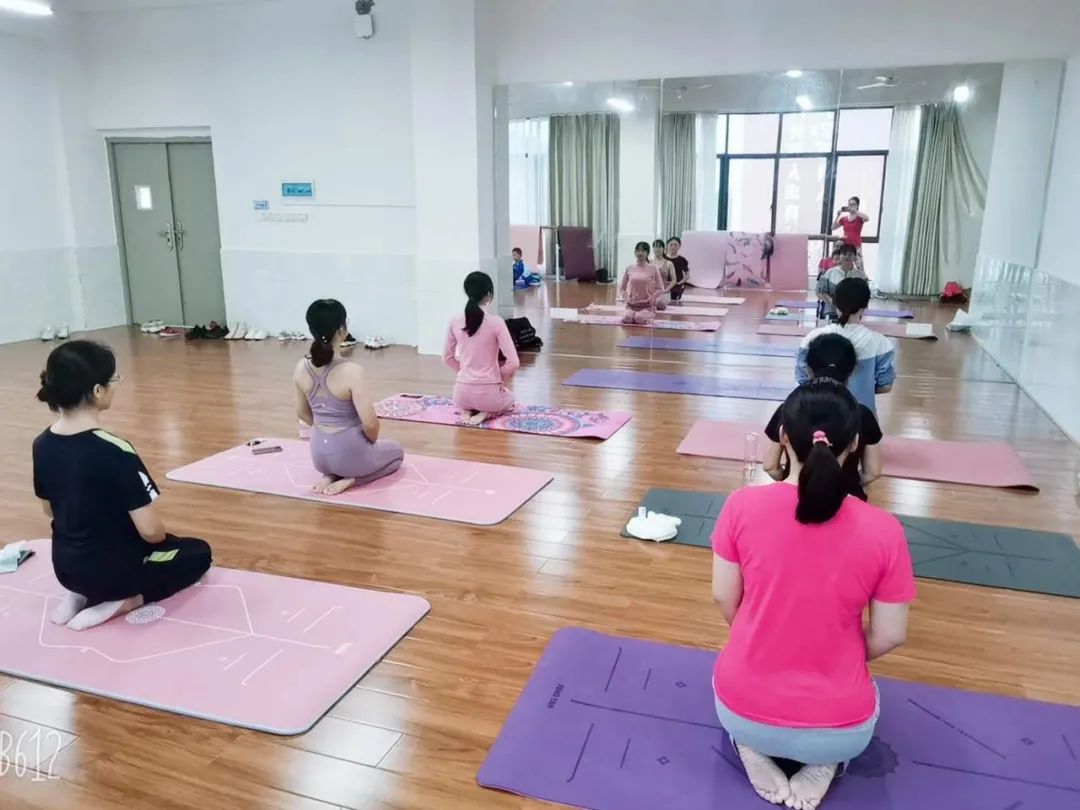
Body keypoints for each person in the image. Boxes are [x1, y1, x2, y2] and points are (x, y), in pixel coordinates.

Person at [711, 379, 915, 809]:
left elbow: (724, 598)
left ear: (783, 437)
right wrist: (839, 652)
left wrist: (757, 632)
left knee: (734, 691)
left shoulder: (739, 506)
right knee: (865, 702)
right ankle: (824, 762)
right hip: (841, 730)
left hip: (741, 709)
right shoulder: (885, 530)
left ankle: (751, 745)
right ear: (855, 443)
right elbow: (891, 634)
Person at [32, 341, 213, 631]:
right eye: (114, 378)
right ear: (97, 390)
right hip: (114, 574)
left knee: (111, 545)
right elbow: (151, 532)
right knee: (196, 552)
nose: (118, 383)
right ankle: (126, 600)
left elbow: (49, 510)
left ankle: (80, 593)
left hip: (65, 567)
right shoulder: (115, 450)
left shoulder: (42, 443)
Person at [294, 299, 404, 495]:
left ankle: (330, 475)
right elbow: (371, 424)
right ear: (342, 330)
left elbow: (302, 413)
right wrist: (368, 444)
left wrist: (323, 430)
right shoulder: (352, 371)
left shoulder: (301, 367)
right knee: (397, 453)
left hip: (318, 453)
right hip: (350, 452)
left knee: (350, 455)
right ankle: (354, 478)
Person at [765, 333, 882, 500]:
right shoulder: (863, 414)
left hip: (794, 497)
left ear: (808, 368)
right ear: (851, 371)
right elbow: (872, 472)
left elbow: (770, 466)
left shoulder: (788, 409)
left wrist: (788, 481)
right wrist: (850, 485)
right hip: (846, 498)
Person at [798, 277, 895, 415]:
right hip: (861, 419)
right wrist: (863, 389)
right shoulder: (881, 343)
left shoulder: (812, 339)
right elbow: (885, 386)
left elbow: (803, 380)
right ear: (864, 307)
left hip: (818, 417)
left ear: (836, 304)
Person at [443, 271, 521, 425]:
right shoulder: (496, 322)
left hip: (461, 394)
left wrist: (464, 372)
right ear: (489, 295)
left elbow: (447, 358)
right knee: (510, 398)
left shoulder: (454, 321)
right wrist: (498, 377)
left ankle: (467, 410)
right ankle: (487, 413)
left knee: (470, 398)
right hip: (488, 394)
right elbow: (514, 362)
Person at [815, 243, 866, 321]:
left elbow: (865, 296)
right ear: (839, 256)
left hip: (853, 314)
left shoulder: (861, 276)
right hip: (832, 312)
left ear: (855, 257)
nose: (847, 256)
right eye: (844, 254)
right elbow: (819, 291)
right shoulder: (830, 273)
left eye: (850, 254)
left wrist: (858, 311)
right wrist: (832, 302)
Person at [618, 242, 665, 324]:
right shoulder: (630, 268)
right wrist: (627, 298)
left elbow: (661, 288)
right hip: (632, 304)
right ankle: (632, 314)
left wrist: (652, 298)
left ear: (647, 253)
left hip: (647, 305)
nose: (640, 253)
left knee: (639, 318)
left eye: (643, 251)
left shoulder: (653, 268)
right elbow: (622, 288)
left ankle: (649, 315)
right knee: (628, 318)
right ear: (635, 252)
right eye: (638, 250)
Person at [651, 239, 678, 311]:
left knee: (658, 303)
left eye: (659, 247)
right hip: (651, 292)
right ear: (653, 249)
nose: (657, 249)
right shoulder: (649, 262)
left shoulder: (669, 263)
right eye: (655, 247)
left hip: (663, 293)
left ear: (663, 249)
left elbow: (674, 280)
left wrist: (666, 290)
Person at [665, 236, 689, 300]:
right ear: (667, 245)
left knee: (673, 299)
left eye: (675, 245)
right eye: (671, 244)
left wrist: (680, 282)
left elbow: (687, 275)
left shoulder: (682, 259)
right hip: (664, 284)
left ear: (679, 246)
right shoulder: (663, 258)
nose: (673, 247)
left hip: (677, 285)